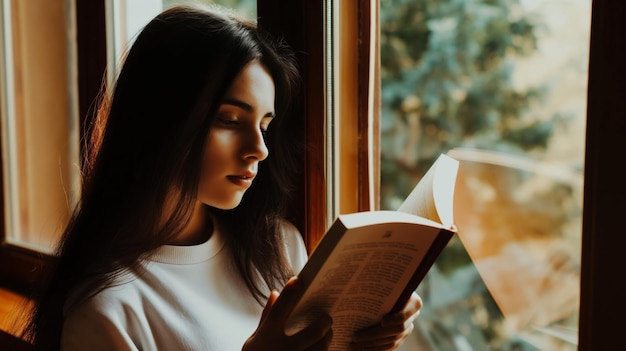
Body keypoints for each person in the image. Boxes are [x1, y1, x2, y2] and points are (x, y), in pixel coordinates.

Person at [21, 4, 422, 351]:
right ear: (160, 121)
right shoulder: (108, 312)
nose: (259, 149)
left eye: (265, 124)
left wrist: (369, 336)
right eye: (230, 120)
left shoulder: (281, 249)